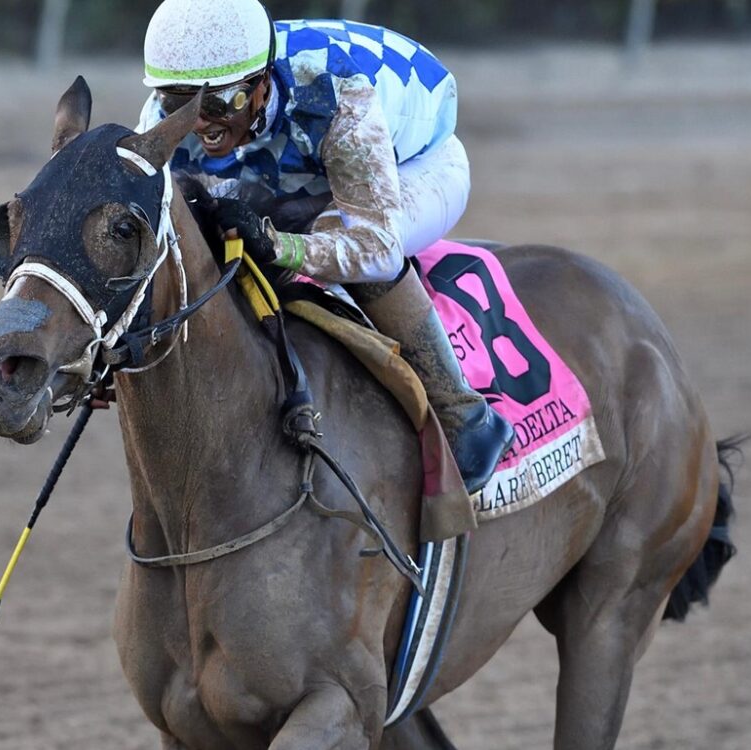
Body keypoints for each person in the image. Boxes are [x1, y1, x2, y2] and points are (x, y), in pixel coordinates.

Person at [136, 0, 514, 493]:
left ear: (262, 85)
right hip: (291, 165)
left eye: (219, 104)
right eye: (179, 104)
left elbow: (376, 247)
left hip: (416, 164)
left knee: (337, 230)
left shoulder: (336, 92)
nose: (201, 124)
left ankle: (465, 414)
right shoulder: (160, 119)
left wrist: (279, 246)